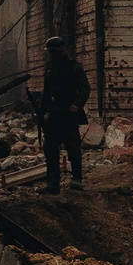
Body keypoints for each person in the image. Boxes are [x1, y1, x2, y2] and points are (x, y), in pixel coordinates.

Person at [37, 34, 90, 195]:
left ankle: (77, 179)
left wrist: (76, 104)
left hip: (68, 113)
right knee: (50, 148)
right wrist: (42, 112)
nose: (53, 55)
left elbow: (85, 88)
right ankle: (53, 183)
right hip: (54, 114)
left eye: (54, 52)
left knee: (73, 146)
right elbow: (46, 93)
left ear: (61, 51)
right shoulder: (50, 69)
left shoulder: (73, 67)